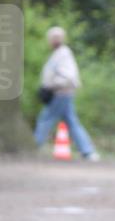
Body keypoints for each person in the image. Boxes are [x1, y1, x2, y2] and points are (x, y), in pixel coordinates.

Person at [33, 26, 100, 161]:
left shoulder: (63, 54)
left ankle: (32, 147)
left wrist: (50, 85)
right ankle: (88, 151)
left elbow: (69, 77)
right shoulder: (59, 54)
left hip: (60, 94)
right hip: (62, 94)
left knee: (45, 120)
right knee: (72, 122)